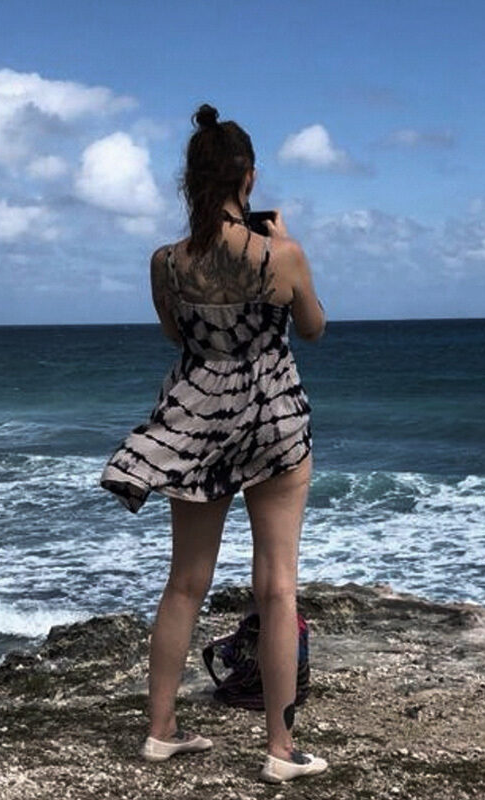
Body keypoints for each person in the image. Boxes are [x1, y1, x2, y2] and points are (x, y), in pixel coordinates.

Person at [100, 103, 327, 783]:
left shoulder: (167, 263)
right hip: (272, 417)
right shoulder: (279, 255)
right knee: (277, 587)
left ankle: (161, 730)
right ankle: (280, 750)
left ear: (190, 183)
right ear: (248, 178)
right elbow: (312, 326)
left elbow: (177, 335)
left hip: (197, 418)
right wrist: (285, 243)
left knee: (185, 582)